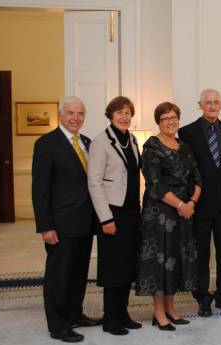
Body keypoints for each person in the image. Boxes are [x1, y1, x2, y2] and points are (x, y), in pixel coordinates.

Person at [32, 96, 101, 342]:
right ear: (61, 115)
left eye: (80, 113)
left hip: (84, 221)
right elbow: (40, 189)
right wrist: (45, 226)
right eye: (70, 113)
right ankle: (58, 326)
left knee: (78, 273)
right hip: (60, 224)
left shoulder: (86, 142)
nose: (75, 118)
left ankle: (75, 314)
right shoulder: (46, 144)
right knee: (58, 277)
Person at [136, 102, 201, 331]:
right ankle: (158, 312)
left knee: (176, 261)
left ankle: (171, 309)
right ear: (158, 122)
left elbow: (197, 178)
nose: (170, 122)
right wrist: (181, 204)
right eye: (165, 119)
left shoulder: (184, 146)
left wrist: (191, 203)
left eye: (174, 117)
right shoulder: (151, 146)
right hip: (160, 213)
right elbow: (155, 184)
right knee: (160, 263)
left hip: (184, 213)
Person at [178, 89, 221, 316]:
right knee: (201, 254)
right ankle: (203, 298)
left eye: (216, 103)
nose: (213, 106)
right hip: (200, 203)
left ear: (220, 105)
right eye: (208, 103)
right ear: (200, 105)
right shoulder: (187, 132)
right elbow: (187, 170)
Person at [87, 96, 143, 335]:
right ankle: (110, 318)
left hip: (131, 211)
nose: (124, 117)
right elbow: (94, 182)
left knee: (128, 265)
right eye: (119, 113)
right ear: (110, 115)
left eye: (128, 113)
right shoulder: (101, 141)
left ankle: (123, 312)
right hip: (112, 213)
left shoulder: (132, 139)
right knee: (112, 267)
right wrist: (105, 218)